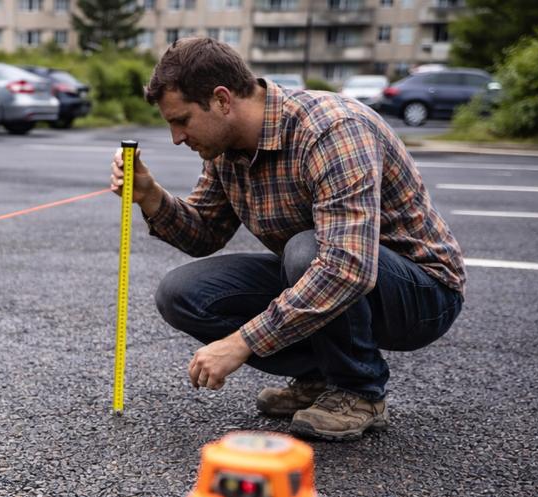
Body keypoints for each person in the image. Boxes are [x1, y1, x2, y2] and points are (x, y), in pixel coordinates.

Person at [110, 38, 465, 441]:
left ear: (222, 100)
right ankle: (318, 377)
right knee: (182, 292)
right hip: (325, 271)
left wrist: (242, 342)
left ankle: (358, 391)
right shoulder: (225, 151)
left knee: (308, 251)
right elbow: (204, 234)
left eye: (182, 120)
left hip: (421, 294)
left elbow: (346, 268)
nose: (177, 137)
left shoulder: (332, 129)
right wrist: (151, 196)